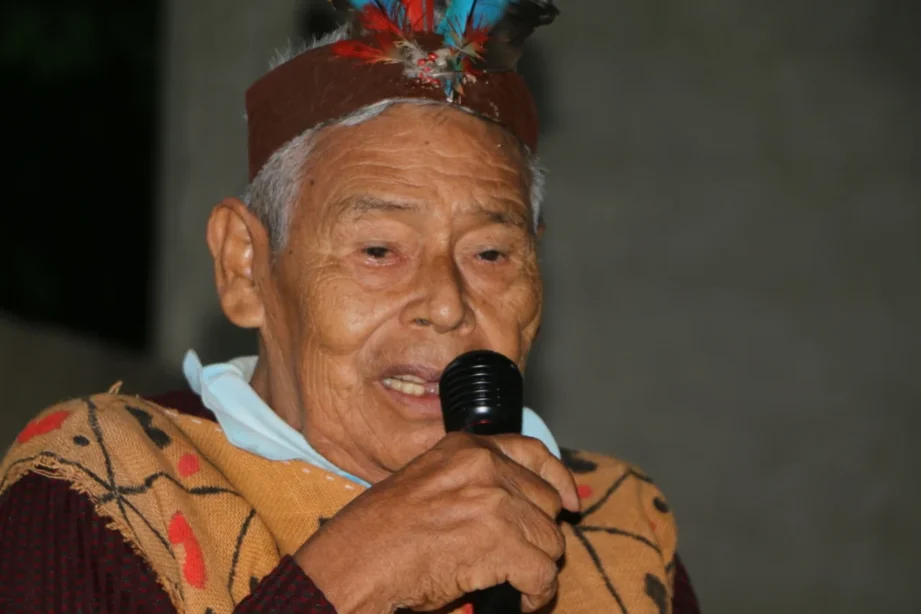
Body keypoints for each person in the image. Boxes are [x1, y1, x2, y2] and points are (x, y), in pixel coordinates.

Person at [0, 2, 700, 612]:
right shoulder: (98, 489)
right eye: (379, 250)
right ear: (245, 266)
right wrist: (355, 571)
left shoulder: (622, 531)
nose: (447, 306)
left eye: (490, 254)